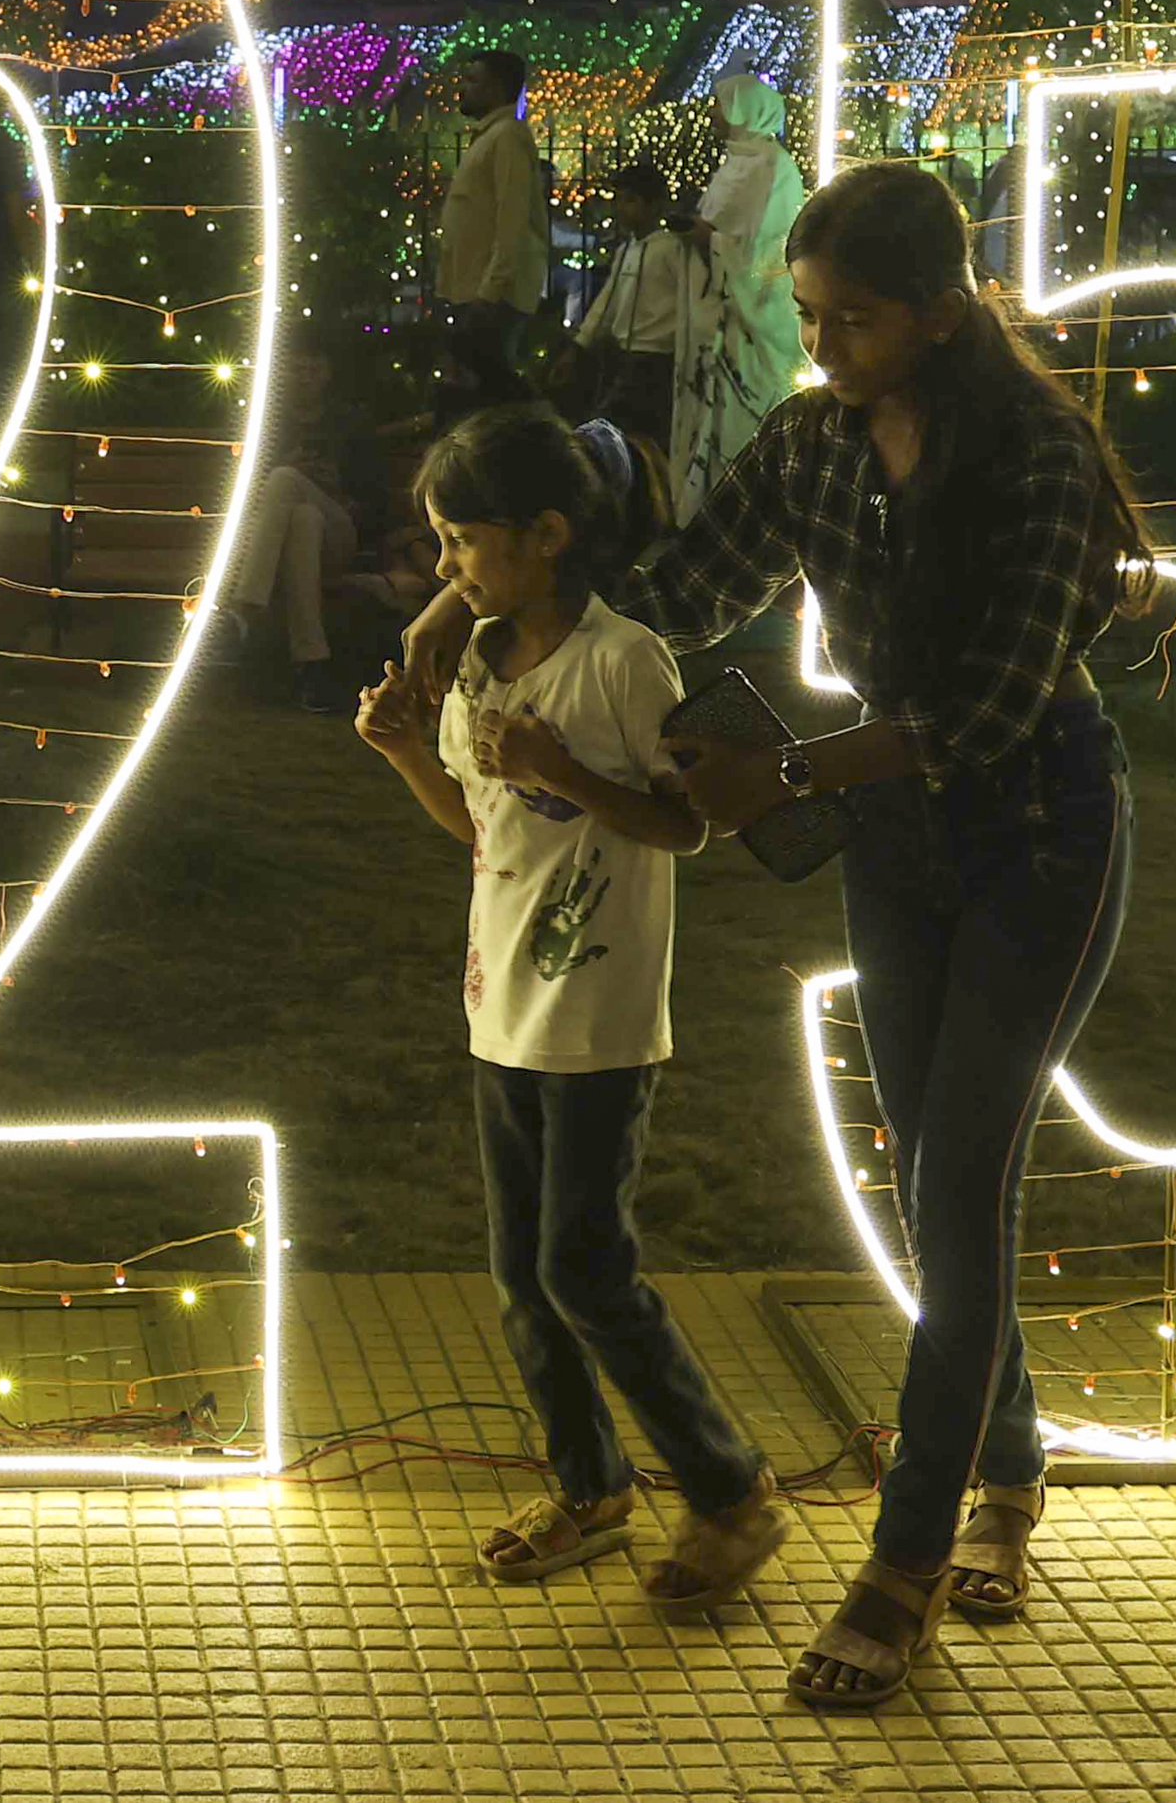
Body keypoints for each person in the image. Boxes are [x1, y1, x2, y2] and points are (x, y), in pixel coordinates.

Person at [424, 157, 1152, 1709]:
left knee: (958, 1183)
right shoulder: (816, 443)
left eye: (855, 322)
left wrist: (787, 770)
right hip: (898, 845)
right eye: (809, 317)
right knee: (936, 1184)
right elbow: (688, 583)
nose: (822, 350)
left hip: (1039, 832)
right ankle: (1009, 1476)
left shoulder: (1033, 453)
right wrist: (502, 595)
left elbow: (988, 706)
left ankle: (902, 1569)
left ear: (946, 313)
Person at [350, 408, 786, 1611]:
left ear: (547, 534)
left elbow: (682, 822)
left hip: (597, 1010)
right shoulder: (478, 661)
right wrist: (407, 755)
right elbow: (483, 832)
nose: (446, 569)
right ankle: (589, 1487)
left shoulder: (625, 659)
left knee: (586, 1268)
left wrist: (565, 772)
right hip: (503, 1003)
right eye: (439, 543)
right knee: (522, 1275)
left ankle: (731, 1489)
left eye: (461, 541)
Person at [676, 76, 809, 512]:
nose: (712, 113)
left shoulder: (775, 167)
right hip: (718, 317)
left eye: (719, 104)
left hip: (752, 319)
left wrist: (712, 244)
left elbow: (769, 250)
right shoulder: (734, 165)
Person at [231, 345, 372, 714]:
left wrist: (336, 485)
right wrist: (287, 467)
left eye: (314, 365)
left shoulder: (349, 423)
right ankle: (312, 664)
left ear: (327, 373)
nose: (306, 374)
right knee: (303, 518)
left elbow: (374, 498)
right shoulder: (271, 424)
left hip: (339, 530)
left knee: (284, 479)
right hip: (294, 538)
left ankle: (245, 605)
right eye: (298, 367)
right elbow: (246, 494)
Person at [570, 158, 714, 464]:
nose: (622, 208)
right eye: (620, 200)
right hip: (621, 354)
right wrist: (581, 344)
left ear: (654, 205)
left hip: (655, 358)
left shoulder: (673, 249)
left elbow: (694, 299)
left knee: (621, 431)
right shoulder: (627, 250)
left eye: (631, 200)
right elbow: (606, 304)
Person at [440, 47, 550, 314]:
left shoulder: (506, 137)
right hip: (476, 291)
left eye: (472, 80)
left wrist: (491, 290)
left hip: (493, 299)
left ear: (497, 89)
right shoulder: (490, 136)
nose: (462, 88)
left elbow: (512, 217)